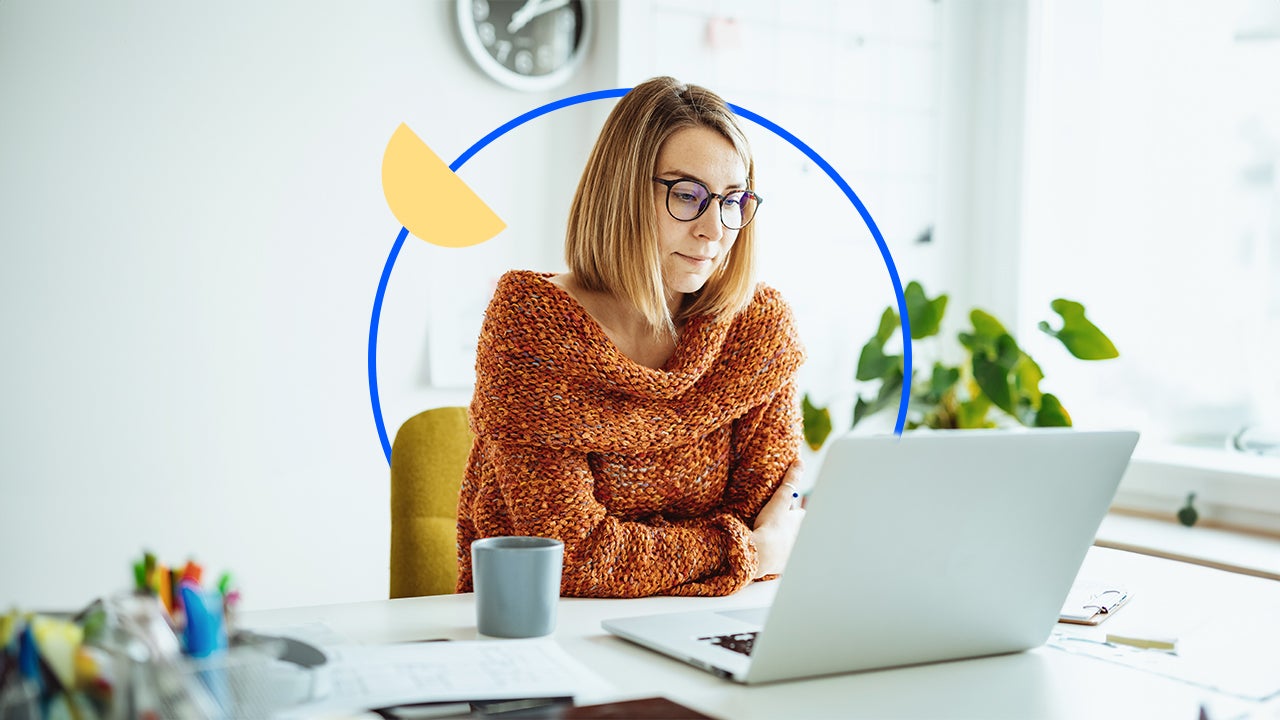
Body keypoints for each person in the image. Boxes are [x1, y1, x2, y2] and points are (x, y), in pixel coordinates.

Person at [456, 76, 806, 598]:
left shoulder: (757, 330)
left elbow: (763, 509)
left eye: (733, 200)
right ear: (621, 193)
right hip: (546, 631)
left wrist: (731, 553)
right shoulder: (530, 328)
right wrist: (746, 553)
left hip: (706, 623)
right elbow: (570, 557)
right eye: (687, 195)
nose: (714, 228)